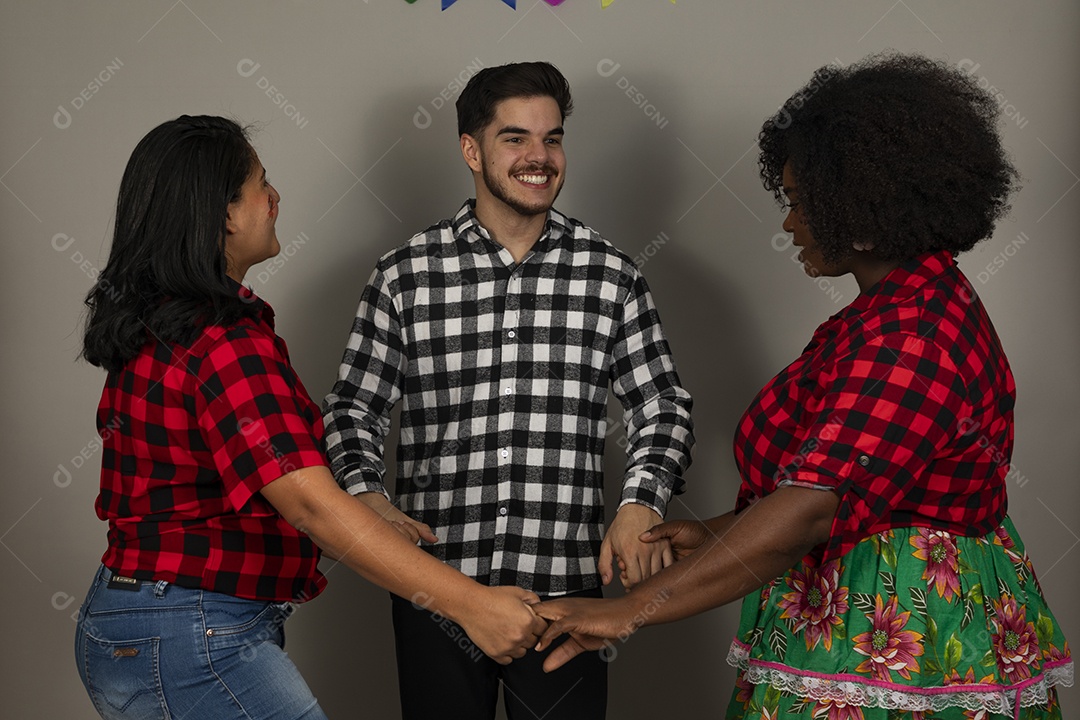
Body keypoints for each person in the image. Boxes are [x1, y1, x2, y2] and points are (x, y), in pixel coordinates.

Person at [533, 53, 1074, 719]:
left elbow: (812, 509)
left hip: (907, 630)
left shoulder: (912, 335)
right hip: (857, 603)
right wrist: (719, 534)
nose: (789, 225)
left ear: (863, 204)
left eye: (797, 203)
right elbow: (854, 482)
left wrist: (630, 611)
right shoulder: (894, 308)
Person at [74, 115, 547, 720]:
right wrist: (473, 606)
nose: (275, 199)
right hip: (191, 634)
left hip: (136, 619)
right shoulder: (222, 339)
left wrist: (365, 504)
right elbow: (308, 504)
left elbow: (252, 475)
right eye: (259, 185)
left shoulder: (162, 322)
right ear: (222, 213)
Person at [323, 61, 694, 719]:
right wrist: (366, 496)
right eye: (515, 138)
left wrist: (642, 502)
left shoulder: (610, 275)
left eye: (552, 138)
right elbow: (354, 407)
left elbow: (662, 402)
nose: (539, 157)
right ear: (471, 149)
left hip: (565, 602)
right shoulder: (405, 275)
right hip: (437, 596)